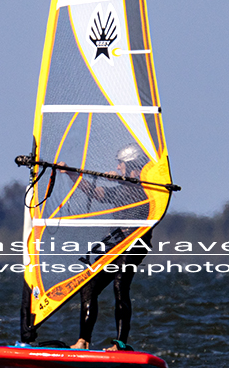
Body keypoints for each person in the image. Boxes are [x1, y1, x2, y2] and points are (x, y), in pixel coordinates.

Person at [20, 146, 151, 350]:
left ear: (132, 166)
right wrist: (72, 174)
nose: (116, 166)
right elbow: (96, 192)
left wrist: (119, 179)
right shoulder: (121, 190)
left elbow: (139, 191)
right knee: (87, 284)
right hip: (117, 240)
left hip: (136, 242)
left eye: (120, 163)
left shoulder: (147, 188)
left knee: (120, 285)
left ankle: (121, 344)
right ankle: (83, 341)